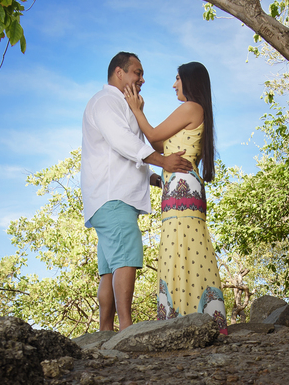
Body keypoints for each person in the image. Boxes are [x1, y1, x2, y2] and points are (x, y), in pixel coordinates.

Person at [82, 52, 191, 332]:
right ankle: (127, 330)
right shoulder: (106, 101)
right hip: (114, 198)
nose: (142, 79)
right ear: (119, 72)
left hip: (108, 200)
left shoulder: (120, 104)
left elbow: (125, 154)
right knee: (127, 258)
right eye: (137, 73)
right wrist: (163, 160)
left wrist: (153, 176)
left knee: (109, 269)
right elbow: (123, 142)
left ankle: (105, 333)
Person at [123, 62, 227, 332]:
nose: (174, 84)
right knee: (181, 249)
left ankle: (189, 319)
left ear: (190, 82)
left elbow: (154, 134)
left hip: (181, 188)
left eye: (178, 78)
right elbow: (159, 143)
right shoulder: (193, 111)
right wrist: (140, 114)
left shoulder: (191, 107)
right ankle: (189, 318)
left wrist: (136, 110)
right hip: (178, 187)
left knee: (184, 249)